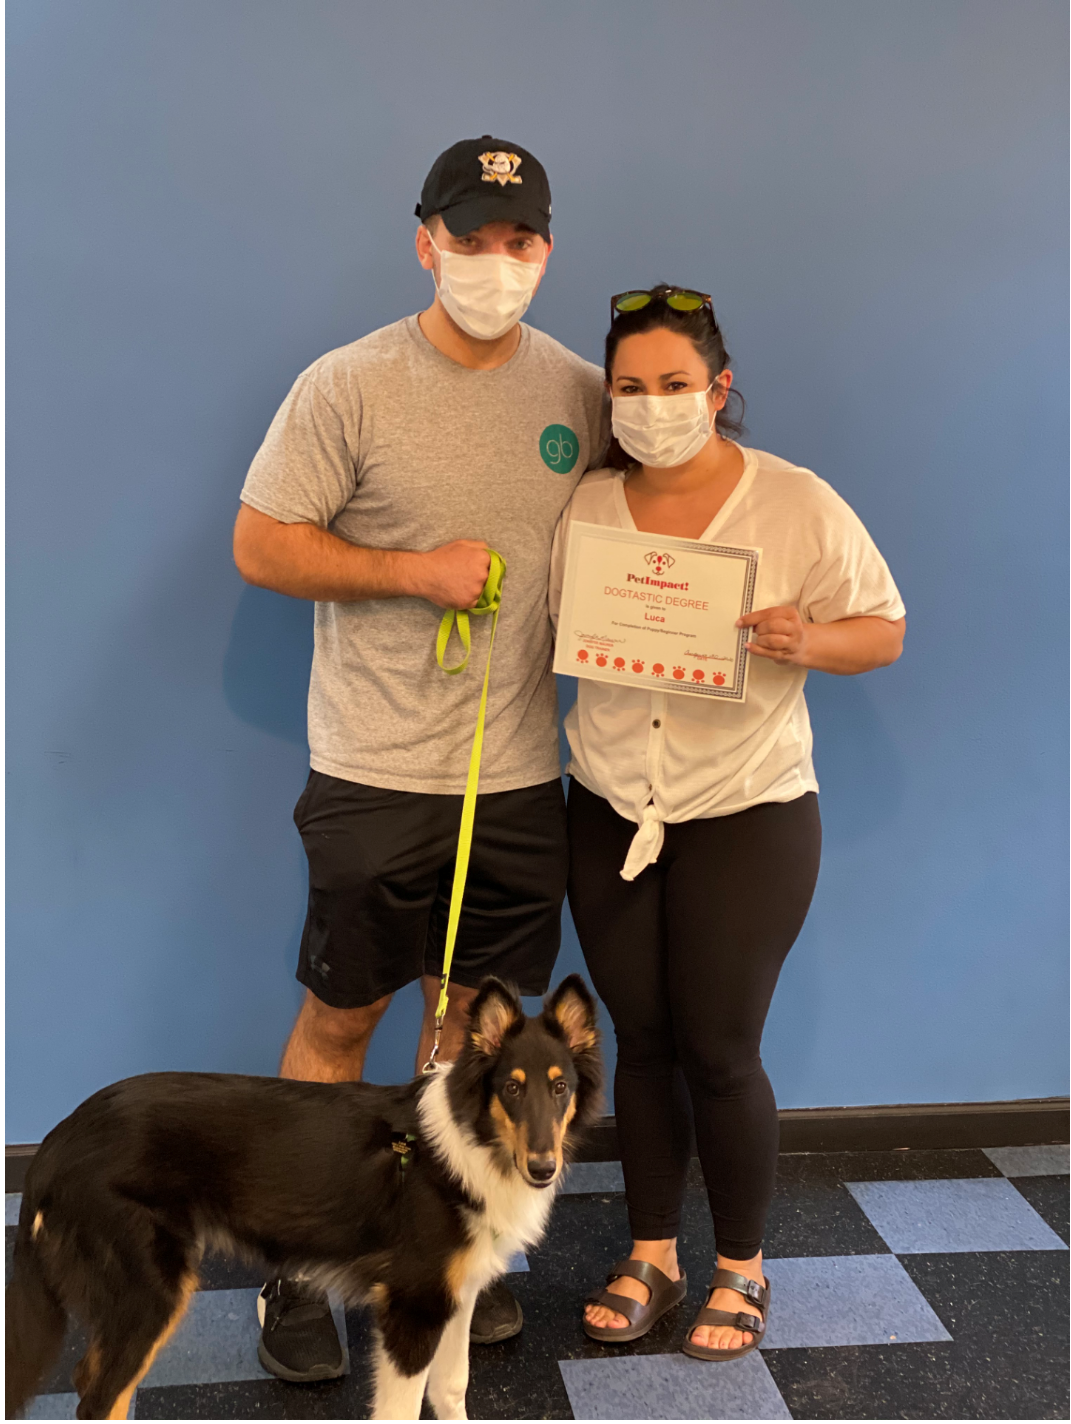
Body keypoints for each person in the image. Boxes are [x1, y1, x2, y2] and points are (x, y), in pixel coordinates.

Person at [233, 136, 606, 1382]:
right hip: (375, 770)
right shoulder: (347, 385)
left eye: (519, 241)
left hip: (514, 781)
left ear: (544, 249)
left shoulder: (578, 393)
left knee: (469, 1026)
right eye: (470, 237)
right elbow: (261, 543)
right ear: (424, 239)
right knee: (342, 1019)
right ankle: (291, 1272)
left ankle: (447, 1251)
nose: (494, 263)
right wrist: (411, 572)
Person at [550, 286, 905, 1361]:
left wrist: (807, 638)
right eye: (630, 387)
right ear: (606, 397)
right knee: (642, 1038)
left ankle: (741, 1267)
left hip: (747, 807)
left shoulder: (794, 503)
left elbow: (883, 631)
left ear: (720, 387)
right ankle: (652, 1250)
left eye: (674, 385)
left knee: (720, 1045)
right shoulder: (586, 506)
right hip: (609, 802)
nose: (652, 405)